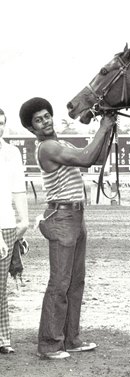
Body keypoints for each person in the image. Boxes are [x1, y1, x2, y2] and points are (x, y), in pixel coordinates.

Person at [19, 97, 116, 360]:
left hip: (75, 216)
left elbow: (96, 156)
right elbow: (86, 159)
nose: (45, 121)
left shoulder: (60, 143)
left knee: (75, 282)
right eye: (38, 120)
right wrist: (104, 126)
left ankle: (71, 339)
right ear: (32, 129)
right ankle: (50, 344)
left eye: (46, 116)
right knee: (60, 283)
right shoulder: (48, 147)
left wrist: (109, 127)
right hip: (62, 218)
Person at [0, 108, 29, 355]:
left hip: (7, 225)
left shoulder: (11, 153)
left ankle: (2, 338)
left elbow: (18, 189)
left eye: (1, 123)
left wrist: (24, 220)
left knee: (1, 287)